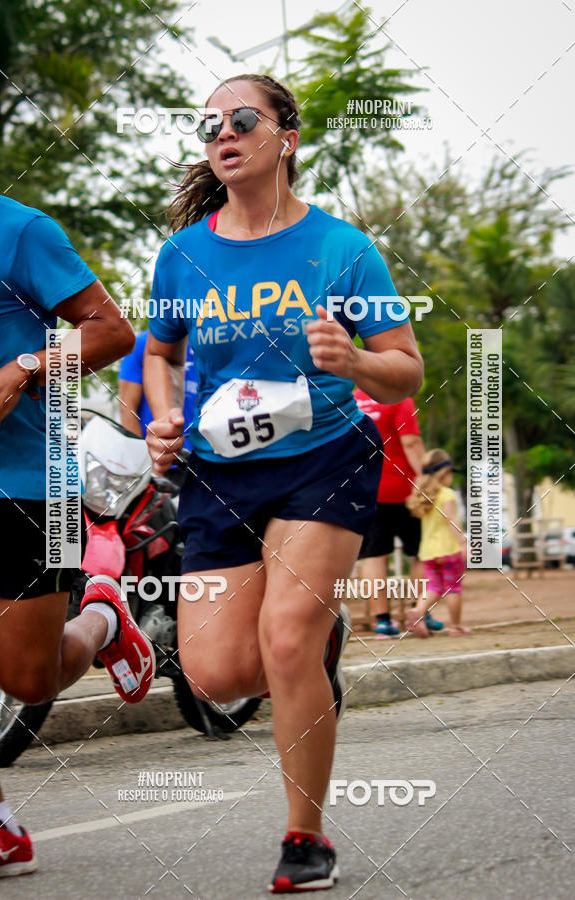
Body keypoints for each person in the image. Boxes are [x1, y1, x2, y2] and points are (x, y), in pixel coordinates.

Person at [143, 73, 423, 893]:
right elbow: (160, 352)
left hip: (325, 457)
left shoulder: (341, 248)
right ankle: (313, 647)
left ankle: (306, 839)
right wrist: (161, 417)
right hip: (218, 471)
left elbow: (405, 369)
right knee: (217, 678)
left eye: (241, 119)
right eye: (208, 125)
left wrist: (355, 359)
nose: (221, 133)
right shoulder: (183, 253)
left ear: (286, 139)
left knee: (288, 636)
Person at [0, 75, 156, 882]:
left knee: (25, 676)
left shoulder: (18, 231)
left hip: (27, 483)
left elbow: (112, 329)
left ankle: (103, 621)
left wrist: (23, 364)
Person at [353, 391, 444, 636]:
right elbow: (411, 443)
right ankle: (419, 612)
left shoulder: (351, 400)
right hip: (405, 490)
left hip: (366, 489)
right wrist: (427, 480)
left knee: (374, 555)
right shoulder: (399, 399)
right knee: (420, 552)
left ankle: (383, 621)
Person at [405, 449, 470, 637]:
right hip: (449, 550)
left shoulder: (423, 495)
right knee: (453, 588)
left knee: (434, 587)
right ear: (444, 473)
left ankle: (418, 611)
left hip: (428, 553)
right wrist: (463, 544)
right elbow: (451, 520)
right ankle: (456, 627)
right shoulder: (446, 494)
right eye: (450, 473)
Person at [119, 328, 197, 450]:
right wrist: (139, 460)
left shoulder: (206, 344)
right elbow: (127, 408)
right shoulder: (141, 343)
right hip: (155, 456)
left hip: (200, 456)